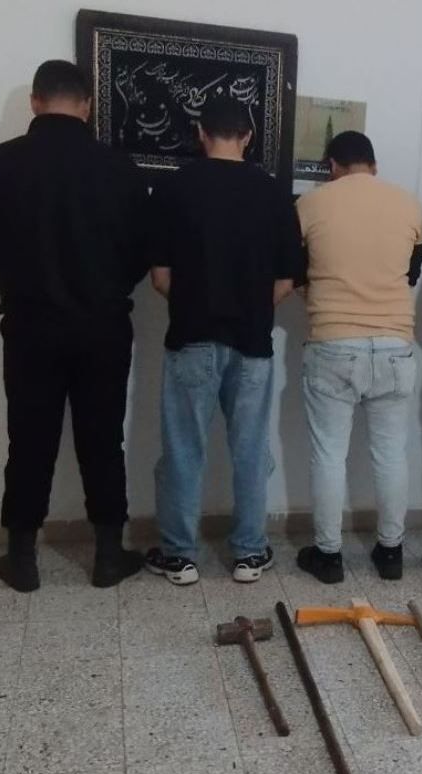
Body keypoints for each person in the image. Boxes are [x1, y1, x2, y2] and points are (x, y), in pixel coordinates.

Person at [0, 60, 150, 592]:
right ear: (87, 105)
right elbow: (139, 253)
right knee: (103, 440)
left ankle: (21, 559)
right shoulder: (120, 168)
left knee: (28, 439)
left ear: (35, 100)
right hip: (103, 325)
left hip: (29, 325)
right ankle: (108, 556)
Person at [144, 96, 303, 586]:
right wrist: (250, 307)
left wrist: (196, 303)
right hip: (252, 342)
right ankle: (250, 554)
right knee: (251, 450)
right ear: (248, 136)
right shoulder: (274, 193)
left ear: (200, 132)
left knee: (183, 450)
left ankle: (179, 556)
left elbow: (160, 278)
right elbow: (286, 280)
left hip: (190, 336)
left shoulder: (172, 188)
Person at [294, 131, 422, 584]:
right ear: (373, 164)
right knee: (390, 453)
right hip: (394, 344)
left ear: (331, 165)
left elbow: (295, 272)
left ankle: (329, 556)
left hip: (333, 343)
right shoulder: (409, 204)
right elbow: (411, 273)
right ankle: (390, 552)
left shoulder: (309, 205)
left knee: (329, 454)